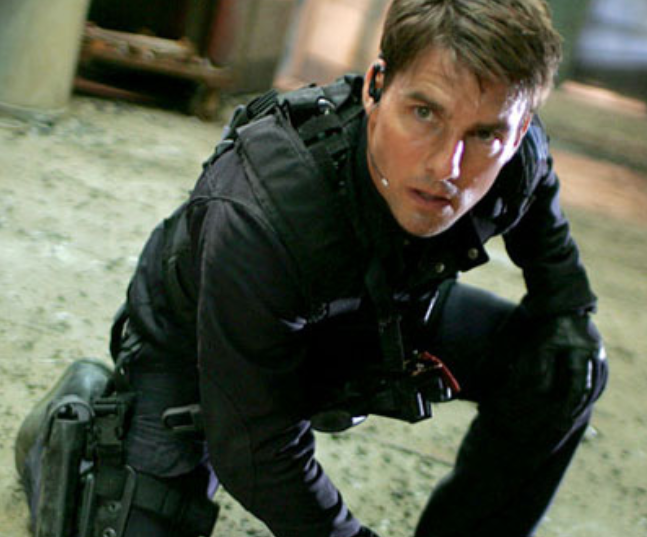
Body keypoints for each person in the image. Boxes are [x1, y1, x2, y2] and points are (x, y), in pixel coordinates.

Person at [16, 1, 608, 536]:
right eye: (425, 112)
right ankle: (66, 428)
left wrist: (568, 310)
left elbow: (540, 215)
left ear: (518, 130)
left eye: (483, 134)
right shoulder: (264, 211)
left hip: (378, 314)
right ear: (376, 86)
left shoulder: (515, 153)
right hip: (203, 343)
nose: (446, 167)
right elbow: (255, 447)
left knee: (565, 367)